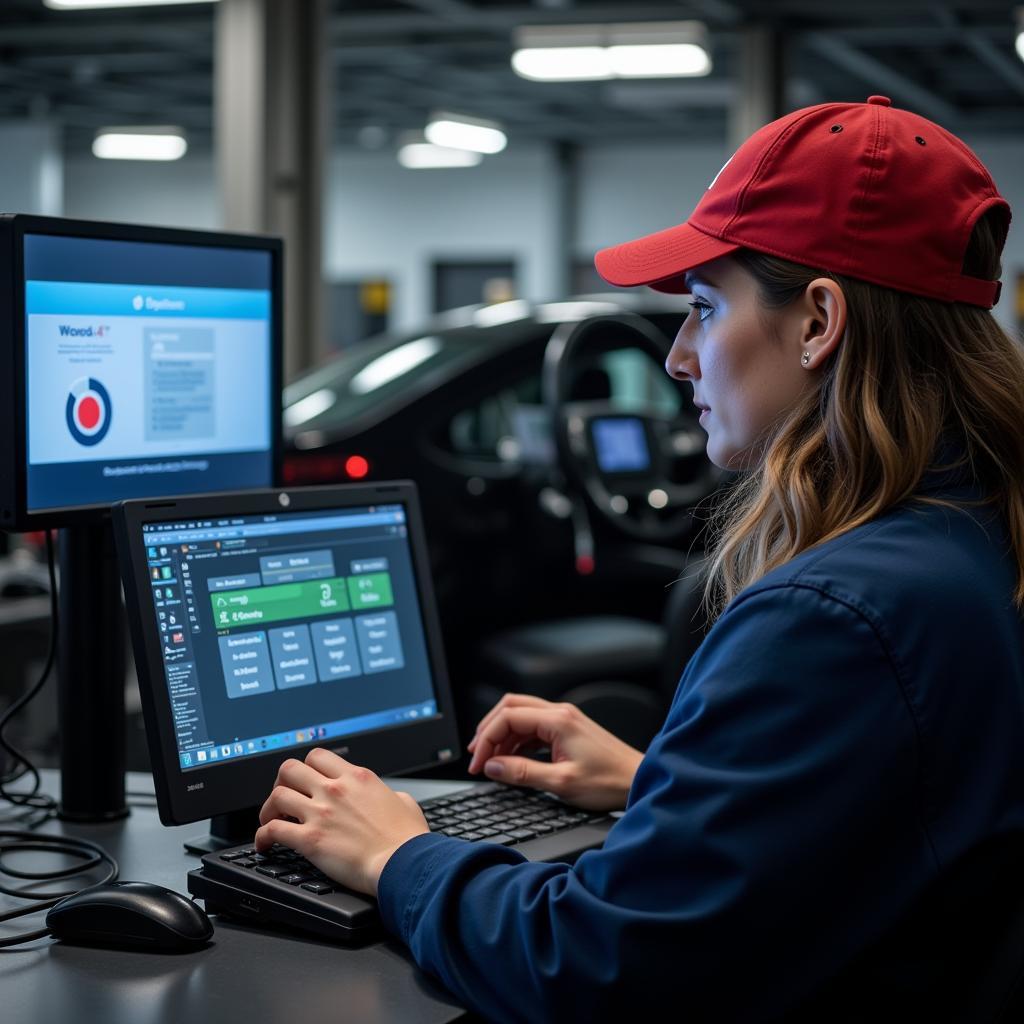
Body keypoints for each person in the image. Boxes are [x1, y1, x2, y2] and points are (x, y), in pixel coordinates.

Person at [254, 96, 1024, 1022]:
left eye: (703, 308)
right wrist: (665, 780)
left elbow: (596, 967)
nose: (680, 358)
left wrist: (396, 854)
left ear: (820, 321)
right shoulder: (979, 530)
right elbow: (906, 804)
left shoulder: (834, 616)